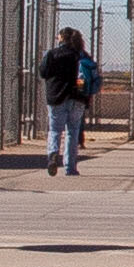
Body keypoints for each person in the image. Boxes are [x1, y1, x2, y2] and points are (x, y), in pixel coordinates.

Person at [39, 26, 92, 177]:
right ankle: (70, 167)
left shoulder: (52, 54)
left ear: (62, 38)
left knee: (55, 129)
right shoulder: (81, 55)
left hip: (57, 97)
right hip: (77, 98)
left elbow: (43, 72)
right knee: (73, 132)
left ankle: (53, 154)